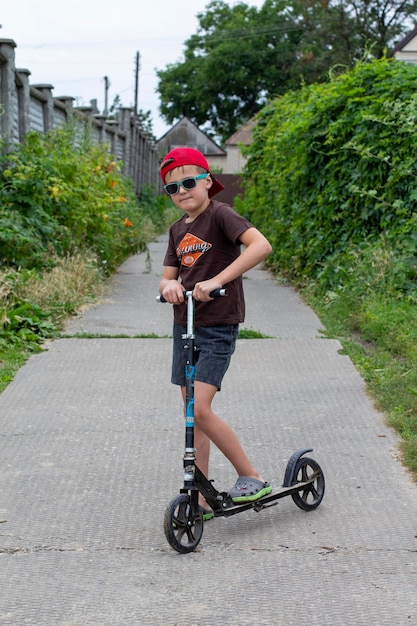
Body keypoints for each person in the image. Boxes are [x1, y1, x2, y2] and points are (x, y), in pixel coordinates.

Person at [158, 147, 272, 519]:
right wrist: (168, 289)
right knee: (192, 415)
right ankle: (201, 496)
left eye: (189, 182)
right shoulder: (177, 230)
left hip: (218, 324)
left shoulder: (220, 214)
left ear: (208, 181)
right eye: (172, 188)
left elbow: (260, 246)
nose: (182, 191)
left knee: (200, 409)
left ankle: (251, 476)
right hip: (185, 326)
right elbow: (167, 277)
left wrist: (218, 279)